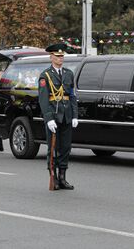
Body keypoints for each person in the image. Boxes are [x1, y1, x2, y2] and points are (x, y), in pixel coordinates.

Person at [38, 43, 78, 191]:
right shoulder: (45, 75)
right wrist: (48, 119)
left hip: (66, 114)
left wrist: (75, 115)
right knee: (53, 148)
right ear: (51, 57)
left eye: (62, 56)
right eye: (57, 56)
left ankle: (63, 178)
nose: (60, 59)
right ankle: (53, 177)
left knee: (66, 147)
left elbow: (72, 95)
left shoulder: (69, 73)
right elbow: (43, 99)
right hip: (54, 115)